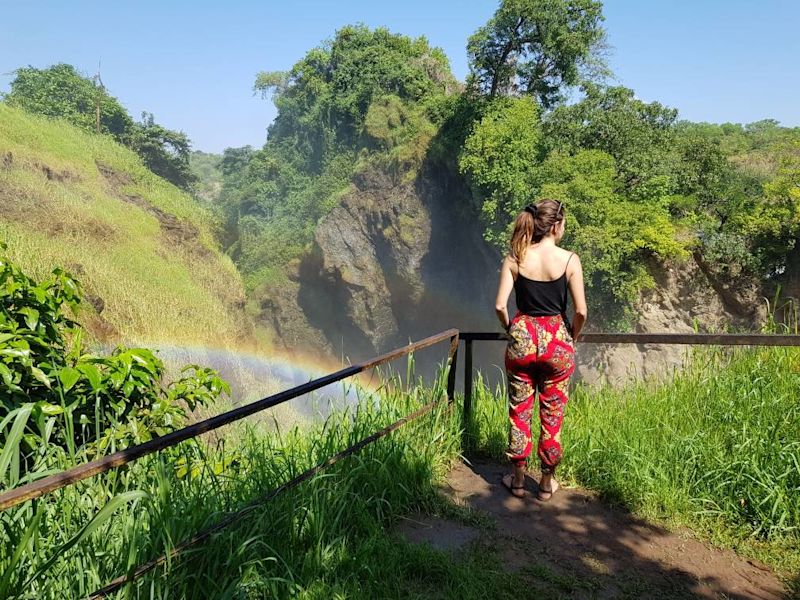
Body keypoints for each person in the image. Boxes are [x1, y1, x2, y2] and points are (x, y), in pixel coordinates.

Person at [494, 199, 587, 502]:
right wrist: (571, 336)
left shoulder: (515, 258)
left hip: (522, 339)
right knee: (553, 413)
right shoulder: (570, 260)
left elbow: (499, 305)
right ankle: (546, 483)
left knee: (519, 412)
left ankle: (518, 480)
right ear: (557, 225)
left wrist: (512, 328)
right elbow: (581, 311)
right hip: (556, 341)